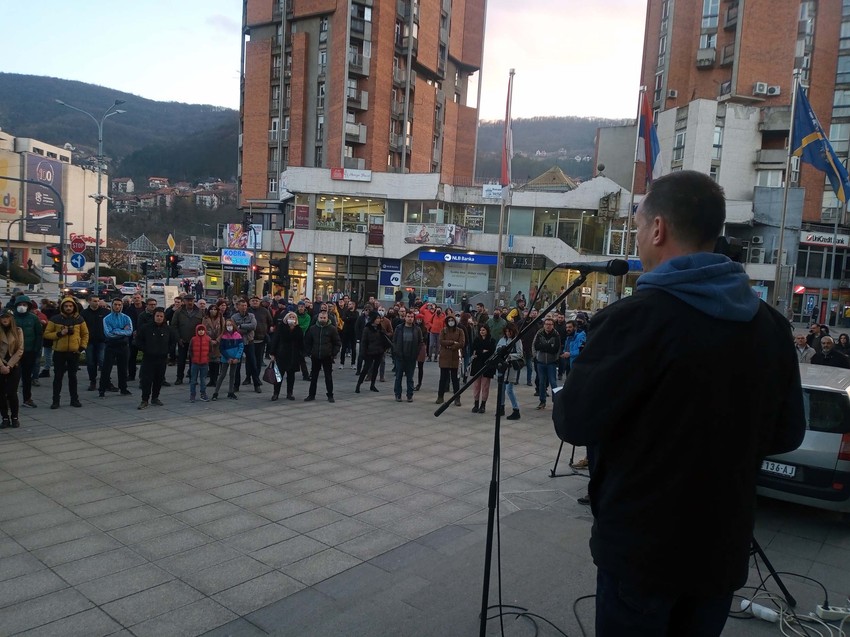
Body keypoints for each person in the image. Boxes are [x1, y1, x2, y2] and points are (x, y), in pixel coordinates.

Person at [553, 170, 806, 637]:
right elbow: (788, 432)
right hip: (720, 552)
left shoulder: (635, 320)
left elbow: (574, 422)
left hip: (642, 552)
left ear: (658, 228)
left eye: (636, 226)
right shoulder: (771, 327)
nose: (636, 238)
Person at [43, 297, 89, 409]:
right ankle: (55, 401)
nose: (68, 308)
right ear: (62, 307)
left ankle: (74, 399)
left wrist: (81, 347)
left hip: (74, 352)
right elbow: (47, 334)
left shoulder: (79, 319)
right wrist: (59, 333)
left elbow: (85, 334)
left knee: (73, 377)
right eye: (66, 306)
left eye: (70, 306)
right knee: (58, 377)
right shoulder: (55, 319)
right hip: (59, 352)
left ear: (74, 307)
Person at [136, 309, 174, 409]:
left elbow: (172, 342)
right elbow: (138, 341)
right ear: (154, 316)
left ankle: (155, 398)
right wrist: (146, 349)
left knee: (159, 379)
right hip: (148, 358)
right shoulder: (146, 328)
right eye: (157, 316)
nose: (159, 318)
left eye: (161, 316)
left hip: (162, 359)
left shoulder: (168, 329)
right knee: (147, 380)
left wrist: (167, 351)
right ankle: (144, 400)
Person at [303, 310, 341, 403]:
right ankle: (311, 395)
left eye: (324, 318)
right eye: (321, 318)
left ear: (327, 318)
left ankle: (330, 395)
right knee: (314, 377)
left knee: (328, 377)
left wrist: (333, 354)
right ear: (318, 318)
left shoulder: (332, 329)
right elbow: (307, 342)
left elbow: (337, 343)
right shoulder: (313, 329)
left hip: (327, 356)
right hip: (315, 356)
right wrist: (309, 352)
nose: (322, 319)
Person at [99, 299, 134, 398]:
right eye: (115, 304)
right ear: (112, 305)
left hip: (123, 346)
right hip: (111, 346)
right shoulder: (106, 319)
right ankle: (102, 389)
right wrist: (122, 331)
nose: (117, 307)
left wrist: (115, 330)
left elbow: (129, 332)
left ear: (122, 306)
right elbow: (108, 334)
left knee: (123, 369)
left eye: (119, 305)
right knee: (106, 368)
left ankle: (123, 388)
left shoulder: (126, 318)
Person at [14, 295, 42, 409]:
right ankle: (9, 399)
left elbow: (39, 334)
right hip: (14, 352)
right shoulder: (11, 318)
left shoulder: (33, 318)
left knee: (27, 377)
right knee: (12, 377)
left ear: (28, 306)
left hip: (29, 351)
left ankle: (27, 399)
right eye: (20, 305)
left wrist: (36, 349)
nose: (22, 306)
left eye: (24, 305)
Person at [269, 311, 303, 401]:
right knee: (278, 375)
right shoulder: (281, 328)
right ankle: (276, 393)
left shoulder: (298, 329)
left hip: (293, 355)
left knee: (291, 376)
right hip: (282, 355)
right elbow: (275, 340)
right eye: (290, 317)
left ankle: (289, 393)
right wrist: (272, 353)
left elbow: (301, 342)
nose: (292, 319)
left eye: (293, 317)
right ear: (286, 319)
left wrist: (301, 354)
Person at [171, 294, 204, 385]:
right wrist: (178, 338)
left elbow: (203, 326)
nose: (190, 302)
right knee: (181, 361)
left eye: (191, 300)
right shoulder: (178, 312)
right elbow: (174, 326)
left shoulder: (200, 312)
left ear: (194, 301)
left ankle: (193, 378)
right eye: (188, 300)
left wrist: (200, 339)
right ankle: (179, 378)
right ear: (184, 301)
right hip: (182, 340)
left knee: (194, 361)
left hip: (195, 341)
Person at [0, 310, 24, 428]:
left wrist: (9, 365)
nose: (5, 320)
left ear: (11, 319)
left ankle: (15, 417)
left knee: (12, 393)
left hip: (13, 365)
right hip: (0, 364)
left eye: (7, 317)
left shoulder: (18, 331)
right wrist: (2, 366)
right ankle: (5, 417)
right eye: (2, 317)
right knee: (1, 393)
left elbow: (20, 349)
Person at [435, 312, 465, 406]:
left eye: (452, 320)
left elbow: (461, 343)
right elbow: (441, 341)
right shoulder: (443, 331)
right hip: (444, 357)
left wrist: (451, 346)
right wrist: (452, 342)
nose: (451, 322)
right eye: (449, 320)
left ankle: (457, 398)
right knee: (443, 378)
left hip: (455, 357)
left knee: (455, 379)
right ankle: (440, 396)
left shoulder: (460, 331)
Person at [392, 310, 422, 402]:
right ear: (405, 317)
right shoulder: (399, 328)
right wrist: (397, 352)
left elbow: (420, 342)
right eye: (408, 316)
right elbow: (394, 341)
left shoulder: (417, 329)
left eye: (412, 317)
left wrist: (416, 353)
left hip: (411, 357)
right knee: (398, 377)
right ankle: (398, 394)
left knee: (410, 378)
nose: (410, 318)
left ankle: (409, 395)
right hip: (400, 357)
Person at [356, 311, 387, 394]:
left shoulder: (380, 328)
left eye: (379, 318)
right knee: (366, 369)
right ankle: (358, 384)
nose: (378, 320)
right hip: (369, 352)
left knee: (376, 369)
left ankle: (372, 385)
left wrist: (383, 347)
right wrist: (363, 353)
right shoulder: (367, 328)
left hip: (379, 351)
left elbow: (385, 338)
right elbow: (364, 342)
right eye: (377, 318)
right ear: (373, 319)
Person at [533, 317, 560, 410]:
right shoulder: (539, 334)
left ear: (553, 326)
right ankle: (542, 401)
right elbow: (536, 346)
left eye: (550, 324)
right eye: (547, 324)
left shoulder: (556, 335)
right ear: (544, 325)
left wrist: (543, 346)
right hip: (540, 362)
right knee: (541, 382)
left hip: (551, 362)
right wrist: (548, 346)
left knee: (553, 382)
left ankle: (556, 401)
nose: (548, 326)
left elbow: (555, 349)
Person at [213, 319, 244, 400]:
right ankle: (215, 392)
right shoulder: (224, 336)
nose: (229, 327)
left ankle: (231, 392)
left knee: (232, 375)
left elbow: (241, 347)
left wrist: (237, 357)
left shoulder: (238, 335)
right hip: (226, 359)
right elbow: (221, 349)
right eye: (227, 325)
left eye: (230, 325)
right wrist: (228, 358)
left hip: (235, 358)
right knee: (222, 375)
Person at [499, 322, 524, 420]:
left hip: (512, 367)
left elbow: (520, 354)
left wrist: (509, 356)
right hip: (503, 366)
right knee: (502, 388)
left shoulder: (517, 340)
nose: (508, 333)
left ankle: (516, 409)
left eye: (510, 331)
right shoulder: (503, 339)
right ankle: (501, 407)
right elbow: (498, 349)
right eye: (506, 331)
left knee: (509, 389)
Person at [469, 324, 496, 414]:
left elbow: (491, 352)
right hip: (477, 365)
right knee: (476, 386)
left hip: (487, 366)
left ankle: (483, 405)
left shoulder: (491, 340)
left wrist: (480, 352)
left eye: (483, 330)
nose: (482, 332)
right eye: (481, 330)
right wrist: (482, 352)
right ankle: (476, 404)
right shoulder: (476, 340)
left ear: (487, 331)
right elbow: (473, 351)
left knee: (485, 386)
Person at [202, 305, 225, 388]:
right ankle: (211, 380)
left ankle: (215, 380)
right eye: (211, 309)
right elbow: (203, 330)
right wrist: (209, 340)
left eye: (215, 309)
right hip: (209, 342)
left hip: (218, 342)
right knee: (210, 361)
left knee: (217, 362)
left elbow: (223, 330)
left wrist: (218, 339)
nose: (213, 311)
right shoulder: (205, 319)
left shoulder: (221, 318)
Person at [188, 324, 211, 402]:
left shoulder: (208, 339)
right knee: (193, 380)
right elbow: (190, 349)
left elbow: (210, 349)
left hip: (204, 363)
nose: (201, 331)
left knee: (203, 380)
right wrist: (193, 358)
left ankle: (203, 393)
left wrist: (207, 358)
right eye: (199, 330)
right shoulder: (193, 339)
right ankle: (192, 394)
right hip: (195, 363)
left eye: (202, 330)